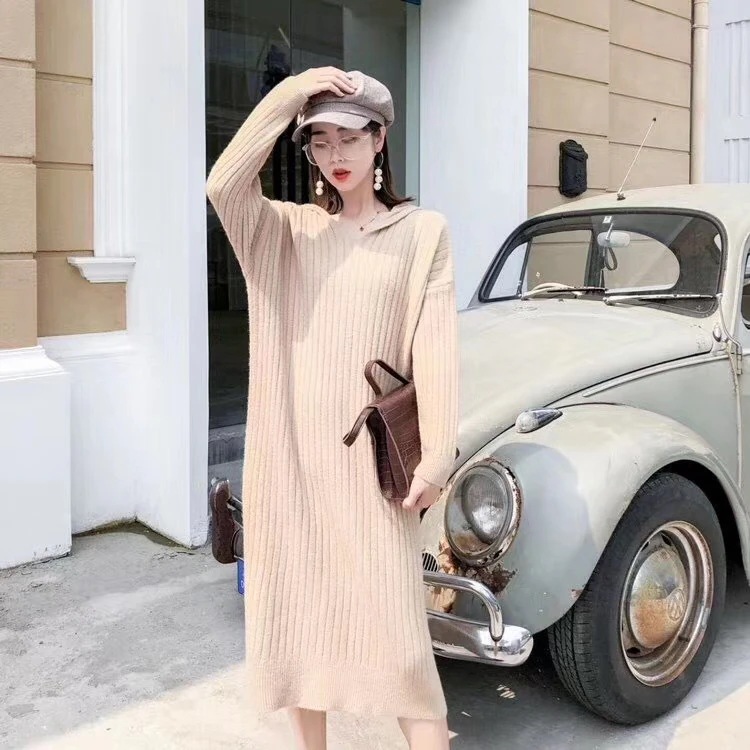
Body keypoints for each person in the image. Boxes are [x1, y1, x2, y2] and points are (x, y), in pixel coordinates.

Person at [206, 66, 459, 750]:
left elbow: (435, 348)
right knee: (297, 633)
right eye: (319, 142)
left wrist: (438, 452)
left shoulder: (422, 233)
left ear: (380, 139)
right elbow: (223, 184)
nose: (334, 155)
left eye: (348, 137)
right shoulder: (283, 232)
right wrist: (296, 90)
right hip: (289, 464)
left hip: (369, 471)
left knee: (404, 655)